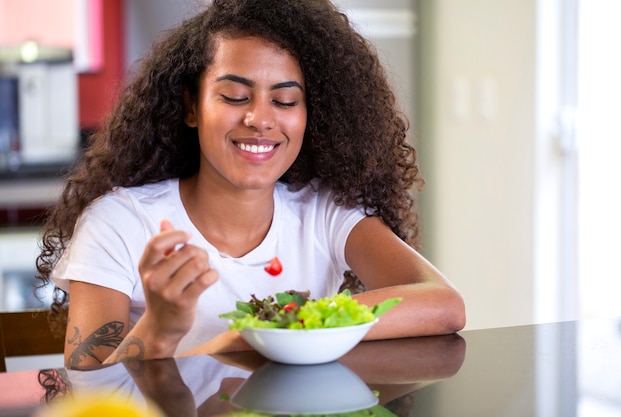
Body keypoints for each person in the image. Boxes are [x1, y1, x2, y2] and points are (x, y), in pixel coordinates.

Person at [36, 0, 465, 370]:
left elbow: (443, 305)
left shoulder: (326, 213)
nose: (260, 119)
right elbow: (88, 392)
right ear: (192, 106)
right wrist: (160, 329)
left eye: (284, 101)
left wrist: (257, 334)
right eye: (235, 97)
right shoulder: (120, 222)